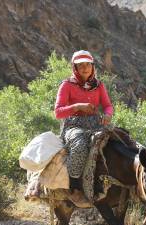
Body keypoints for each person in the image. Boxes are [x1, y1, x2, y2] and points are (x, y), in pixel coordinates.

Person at [54, 50, 113, 206]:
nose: (85, 68)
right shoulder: (66, 85)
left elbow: (107, 106)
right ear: (75, 67)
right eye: (81, 65)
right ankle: (74, 185)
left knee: (118, 142)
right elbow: (58, 112)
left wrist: (107, 115)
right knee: (80, 147)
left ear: (93, 66)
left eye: (88, 64)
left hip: (96, 123)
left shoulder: (99, 86)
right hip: (74, 125)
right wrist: (77, 106)